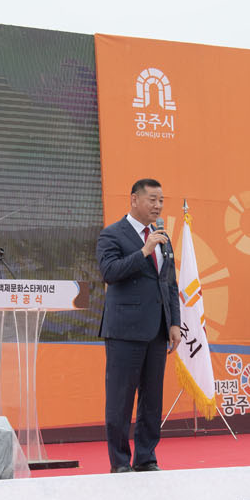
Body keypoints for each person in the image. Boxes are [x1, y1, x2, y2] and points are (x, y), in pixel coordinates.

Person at [97, 178, 182, 472]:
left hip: (157, 329)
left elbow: (169, 283)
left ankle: (146, 458)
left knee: (152, 400)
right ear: (134, 199)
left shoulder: (162, 237)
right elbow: (109, 272)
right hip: (124, 330)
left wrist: (175, 323)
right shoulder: (112, 234)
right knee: (120, 399)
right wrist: (144, 251)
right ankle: (120, 462)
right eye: (152, 200)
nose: (158, 206)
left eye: (161, 200)